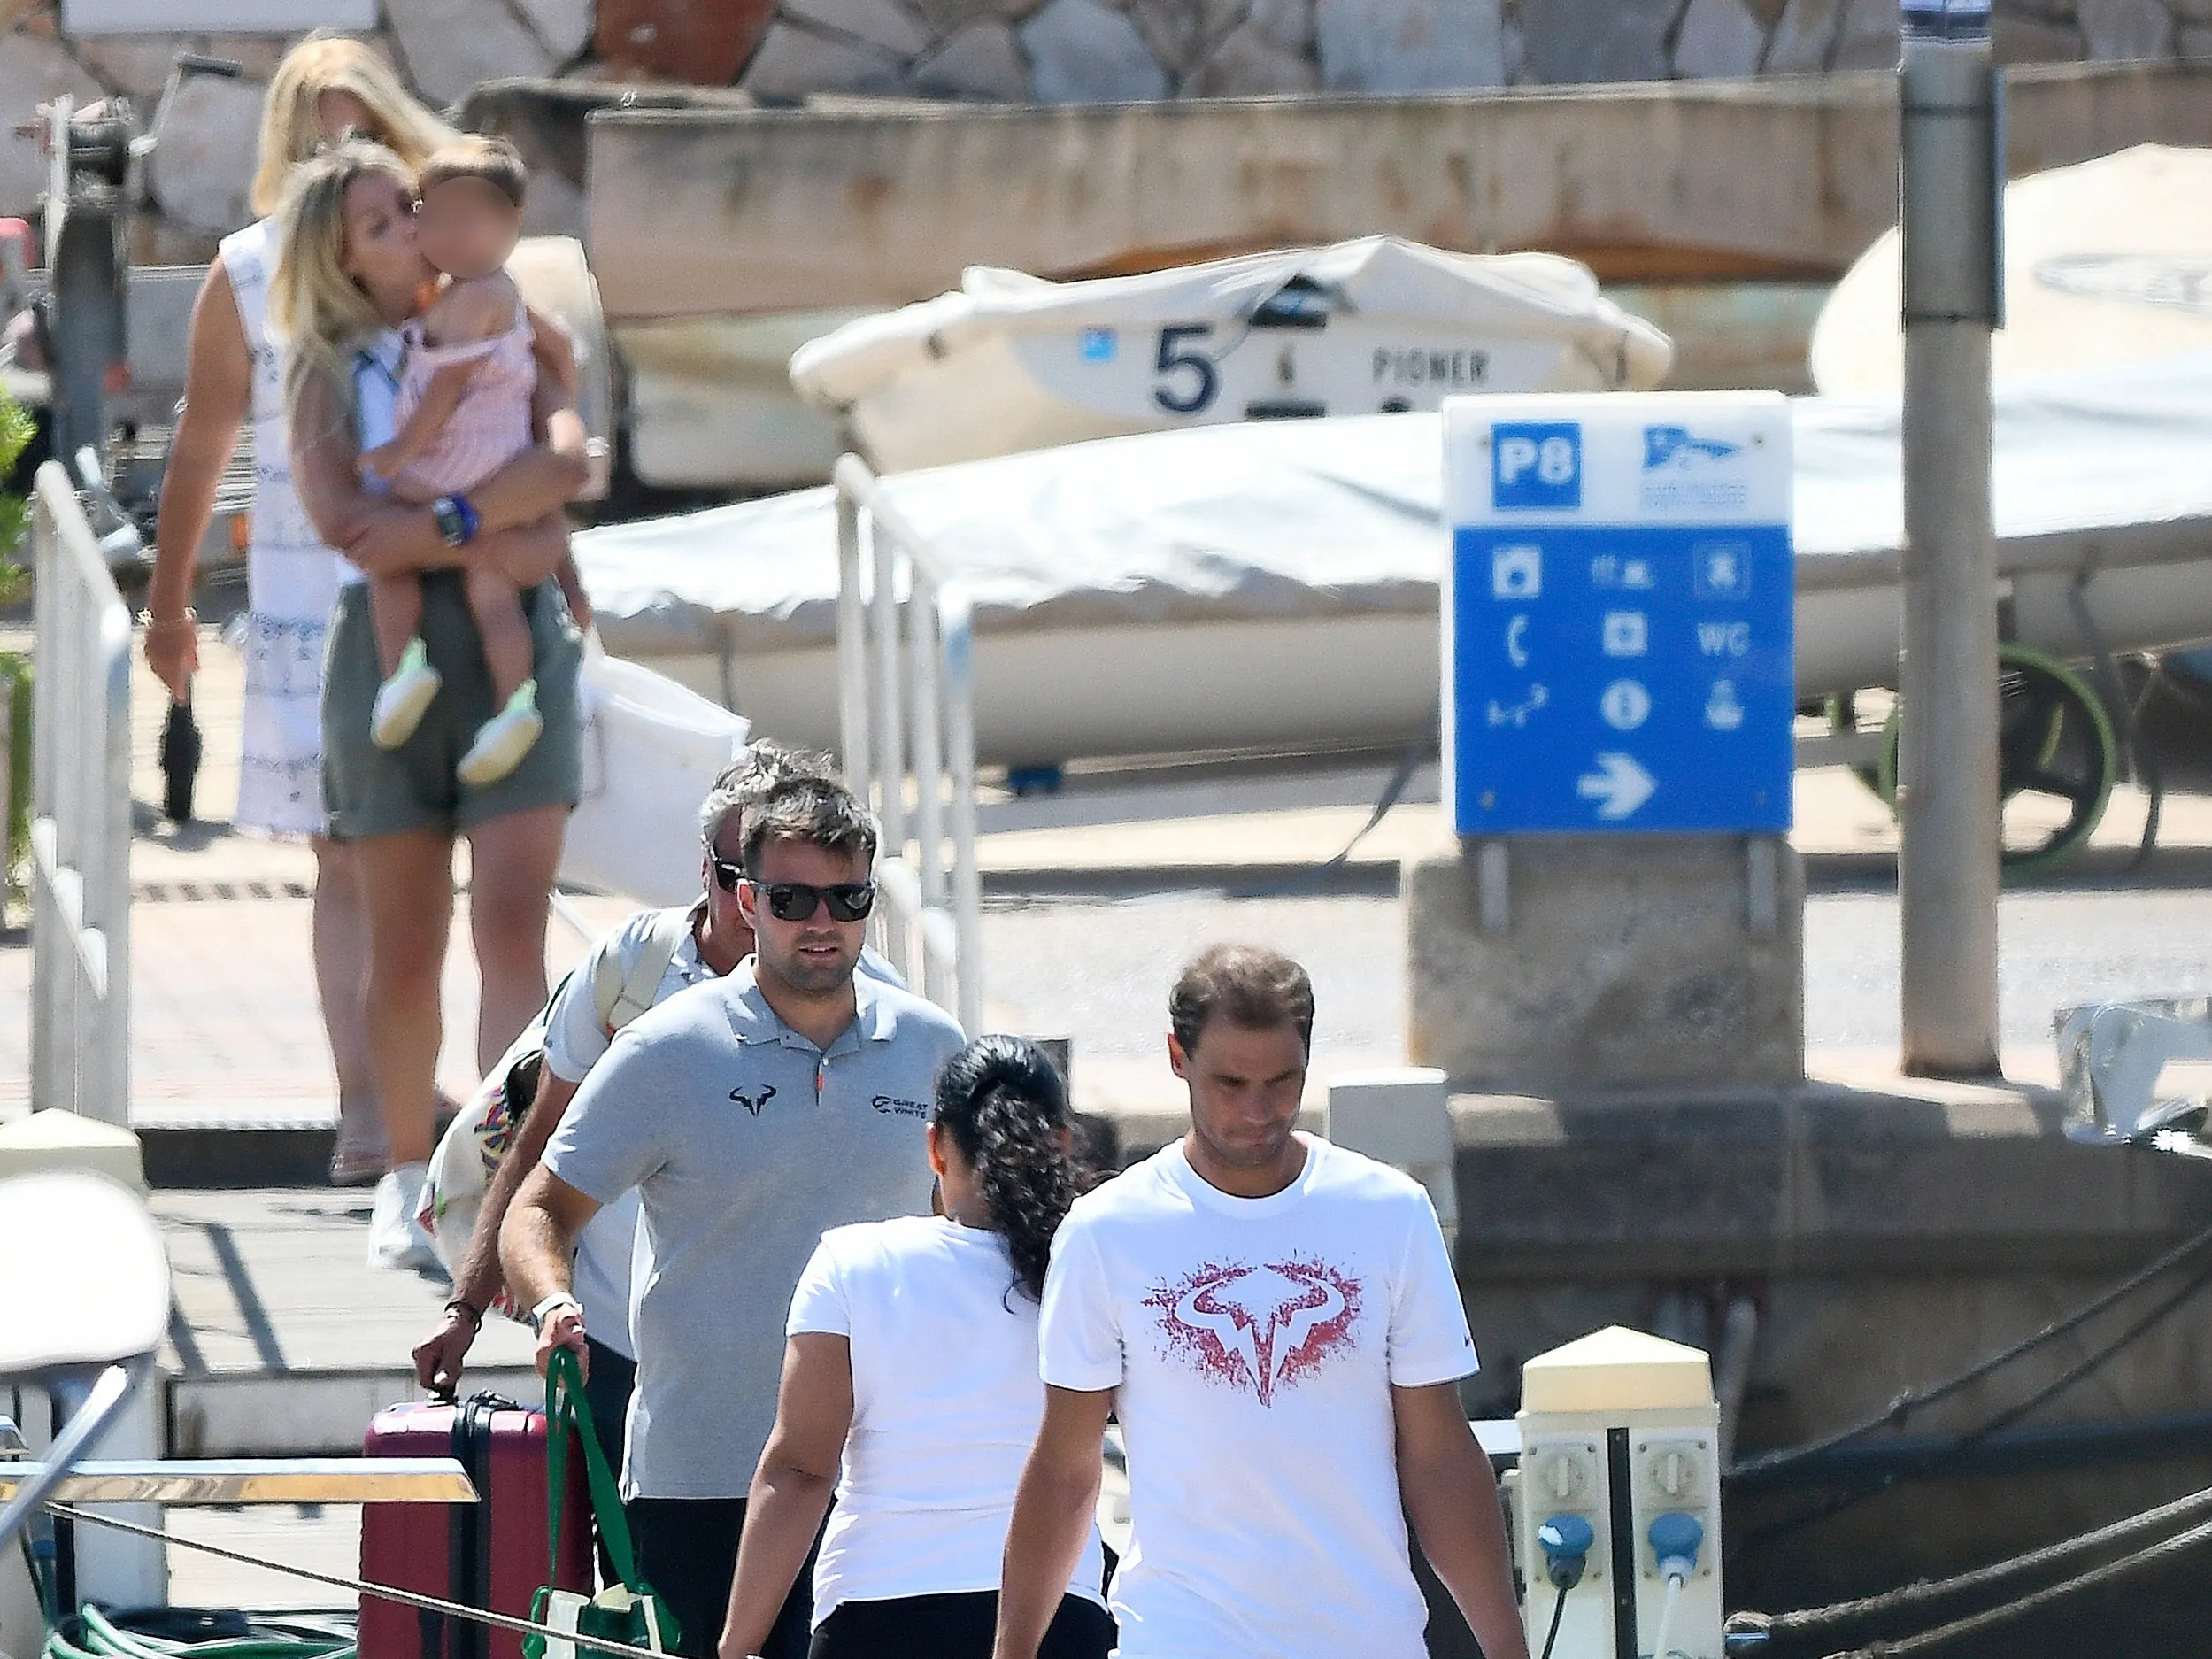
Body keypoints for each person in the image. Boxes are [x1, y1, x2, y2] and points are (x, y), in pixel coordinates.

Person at [501, 774, 966, 1659]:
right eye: (791, 898)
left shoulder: (934, 1048)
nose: (821, 921)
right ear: (748, 901)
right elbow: (542, 1208)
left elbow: (974, 1240)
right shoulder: (665, 1049)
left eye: (846, 897)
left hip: (890, 1477)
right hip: (704, 1479)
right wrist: (554, 1301)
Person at [993, 945, 1531, 1659]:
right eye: (1230, 1082)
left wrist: (1506, 1647)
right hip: (1179, 1638)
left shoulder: (1390, 1214)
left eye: (1282, 1080)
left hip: (1367, 1639)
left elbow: (1436, 1454)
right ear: (1176, 1058)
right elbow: (1065, 1470)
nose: (1258, 1109)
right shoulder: (1105, 1234)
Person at [141, 35, 458, 1186]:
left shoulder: (440, 255)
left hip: (435, 591)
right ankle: (368, 1105)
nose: (341, 142)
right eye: (319, 124)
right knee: (345, 862)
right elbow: (201, 444)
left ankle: (402, 1093)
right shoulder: (249, 270)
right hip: (309, 605)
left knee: (412, 865)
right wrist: (168, 606)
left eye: (361, 120)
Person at [274, 138, 591, 1270]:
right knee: (405, 937)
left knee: (513, 920)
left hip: (511, 636)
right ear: (339, 256)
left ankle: (506, 1181)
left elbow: (566, 460)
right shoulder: (325, 364)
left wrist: (469, 519)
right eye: (377, 221)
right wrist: (481, 522)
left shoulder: (503, 318)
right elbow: (346, 524)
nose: (409, 229)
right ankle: (407, 1176)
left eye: (408, 206)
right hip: (392, 649)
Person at [412, 741, 838, 1459]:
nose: (763, 906)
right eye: (745, 878)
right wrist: (464, 1312)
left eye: (794, 890)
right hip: (620, 1347)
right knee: (634, 1573)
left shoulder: (864, 998)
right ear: (707, 871)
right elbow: (539, 1144)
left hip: (795, 1354)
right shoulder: (631, 969)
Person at [719, 1036, 1116, 1659]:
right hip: (1057, 1614)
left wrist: (735, 1645)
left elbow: (799, 1470)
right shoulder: (1094, 1268)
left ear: (935, 1145)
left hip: (877, 1615)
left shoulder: (853, 1263)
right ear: (1061, 1143)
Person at [358, 137, 551, 787]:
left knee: (385, 549)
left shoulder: (474, 298)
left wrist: (399, 452)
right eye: (436, 217)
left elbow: (444, 391)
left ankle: (402, 667)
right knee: (489, 587)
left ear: (512, 226)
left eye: (472, 221)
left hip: (458, 457)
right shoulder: (478, 290)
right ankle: (514, 702)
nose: (449, 234)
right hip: (497, 459)